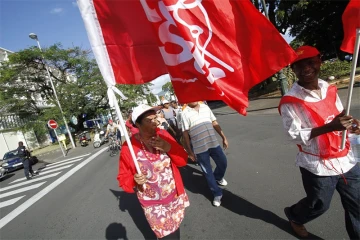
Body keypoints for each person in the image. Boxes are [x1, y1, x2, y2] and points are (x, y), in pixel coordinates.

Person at [278, 45, 360, 239]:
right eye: (299, 65)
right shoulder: (290, 100)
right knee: (319, 204)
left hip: (346, 158)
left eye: (310, 62)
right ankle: (295, 216)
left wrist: (351, 124)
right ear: (293, 70)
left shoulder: (328, 87)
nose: (306, 68)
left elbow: (340, 113)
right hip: (317, 165)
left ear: (320, 61)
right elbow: (293, 135)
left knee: (357, 205)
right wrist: (330, 127)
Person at [117, 104, 190, 239]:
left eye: (155, 117)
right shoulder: (129, 147)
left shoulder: (163, 134)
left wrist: (169, 147)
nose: (155, 122)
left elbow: (183, 161)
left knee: (176, 231)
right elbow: (123, 178)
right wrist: (134, 180)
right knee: (169, 235)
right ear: (137, 124)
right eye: (148, 120)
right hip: (153, 205)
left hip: (174, 197)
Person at [181, 101, 229, 207]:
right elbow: (185, 134)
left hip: (214, 144)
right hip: (199, 149)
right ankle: (217, 193)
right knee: (207, 172)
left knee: (223, 162)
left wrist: (223, 137)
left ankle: (218, 177)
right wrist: (190, 152)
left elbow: (214, 122)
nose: (192, 98)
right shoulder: (184, 113)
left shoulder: (205, 107)